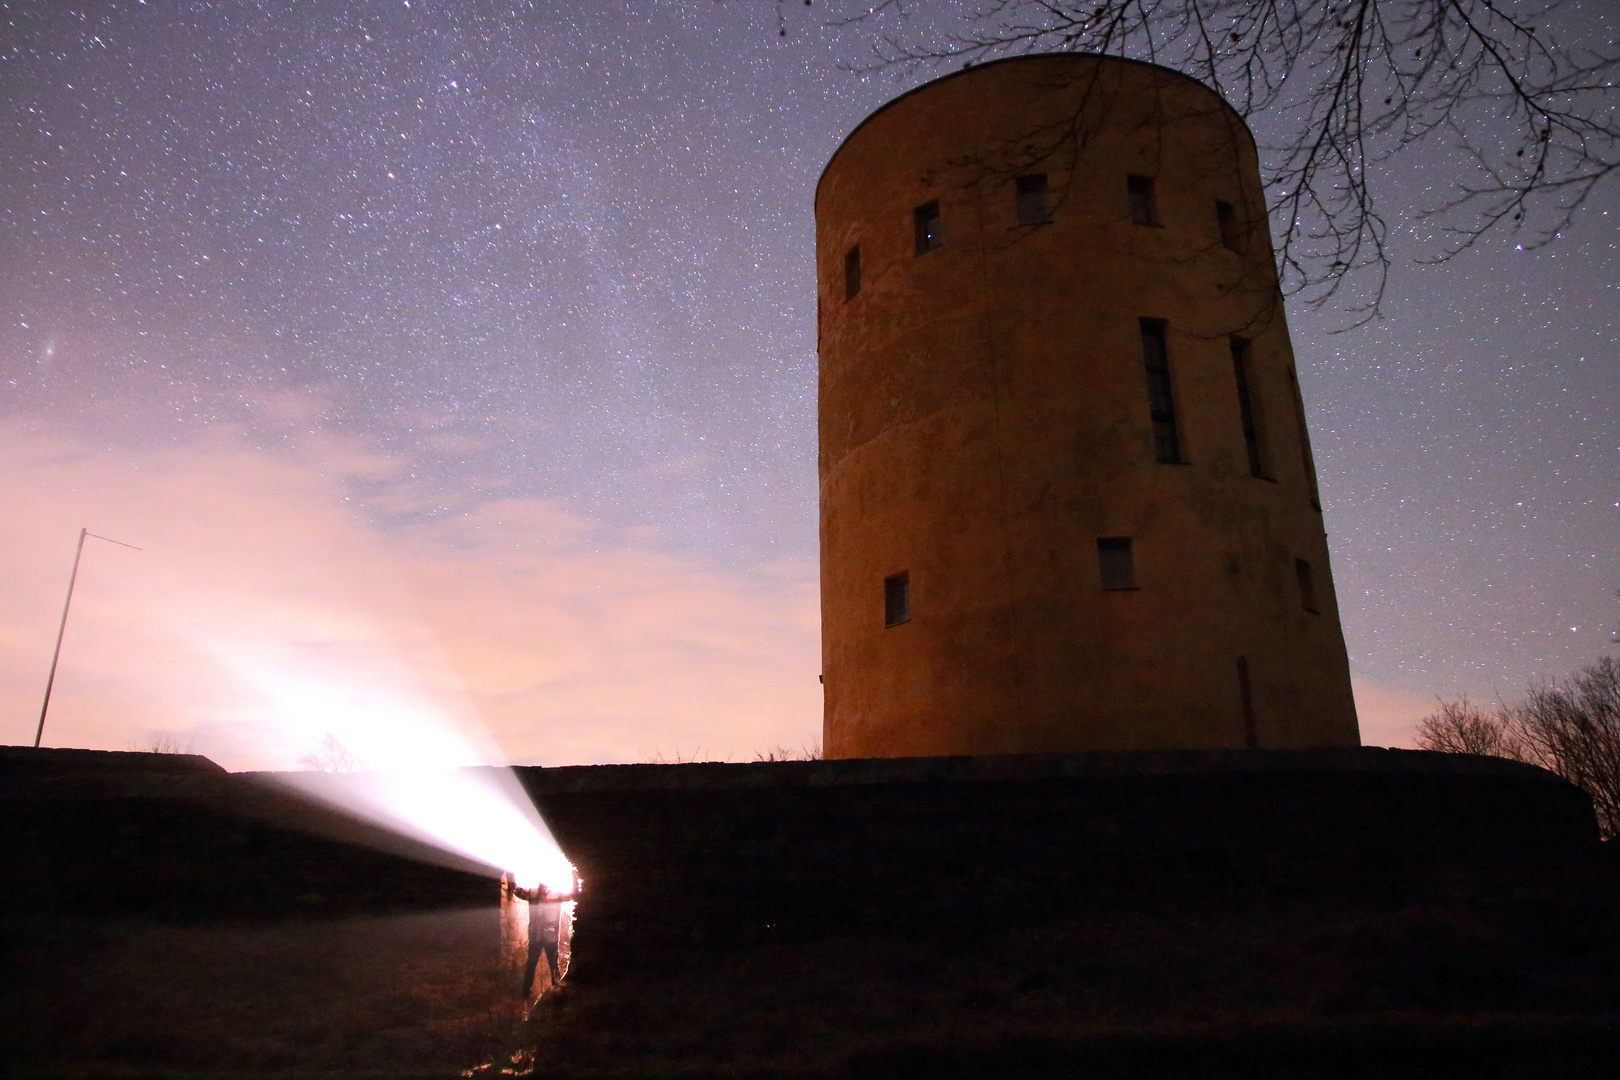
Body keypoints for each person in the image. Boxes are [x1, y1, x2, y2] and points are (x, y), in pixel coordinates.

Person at [509, 872, 577, 996]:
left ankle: (555, 988)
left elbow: (573, 894)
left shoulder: (555, 895)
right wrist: (512, 880)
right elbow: (518, 892)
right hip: (537, 937)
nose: (544, 886)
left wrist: (574, 878)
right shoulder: (534, 894)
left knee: (551, 964)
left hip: (547, 937)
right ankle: (527, 990)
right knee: (532, 964)